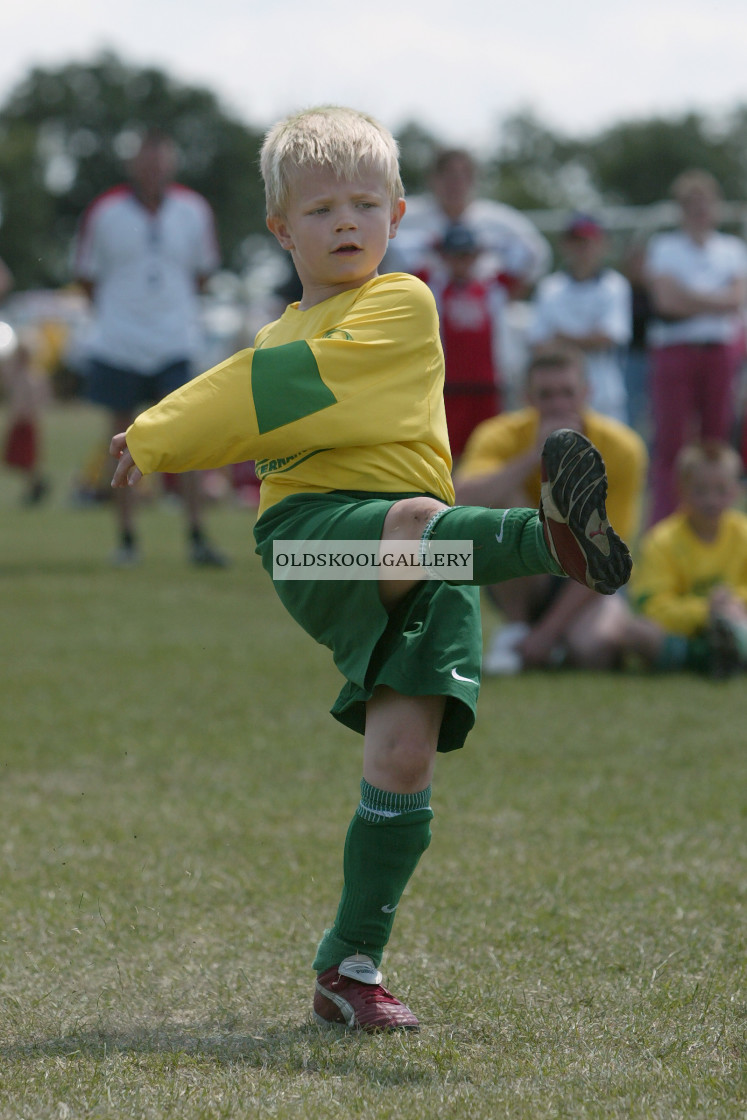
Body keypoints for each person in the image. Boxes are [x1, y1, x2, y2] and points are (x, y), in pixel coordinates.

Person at [109, 106, 632, 1032]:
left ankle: (348, 969)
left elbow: (260, 396)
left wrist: (166, 431)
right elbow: (262, 389)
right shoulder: (278, 341)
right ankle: (550, 543)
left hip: (432, 561)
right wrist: (155, 435)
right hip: (321, 543)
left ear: (396, 215)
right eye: (318, 210)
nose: (344, 223)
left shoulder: (403, 301)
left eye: (362, 204)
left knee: (401, 761)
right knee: (417, 519)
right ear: (280, 228)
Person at [74, 129, 227, 566]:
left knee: (191, 438)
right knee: (121, 442)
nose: (153, 169)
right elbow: (86, 276)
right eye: (146, 160)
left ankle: (197, 536)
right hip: (119, 340)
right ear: (133, 164)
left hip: (175, 339)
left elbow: (202, 273)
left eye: (160, 160)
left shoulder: (194, 210)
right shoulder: (104, 212)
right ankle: (126, 540)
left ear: (172, 163)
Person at [454, 345, 647, 674]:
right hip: (528, 571)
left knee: (594, 651)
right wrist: (534, 456)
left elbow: (611, 552)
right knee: (501, 501)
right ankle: (518, 627)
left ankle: (545, 640)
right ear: (528, 397)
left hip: (589, 575)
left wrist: (549, 632)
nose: (558, 404)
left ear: (587, 393)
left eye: (567, 393)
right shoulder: (500, 434)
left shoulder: (623, 448)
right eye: (546, 394)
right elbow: (461, 499)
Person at [645, 169, 747, 525]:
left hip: (719, 351)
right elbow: (665, 301)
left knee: (715, 441)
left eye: (705, 203)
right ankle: (666, 524)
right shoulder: (665, 247)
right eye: (692, 204)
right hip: (676, 351)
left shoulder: (732, 249)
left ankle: (716, 521)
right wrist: (714, 299)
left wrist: (688, 295)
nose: (699, 210)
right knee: (671, 442)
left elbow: (735, 298)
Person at [630, 440, 747, 677]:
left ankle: (724, 653)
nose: (711, 500)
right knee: (636, 632)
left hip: (738, 620)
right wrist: (706, 612)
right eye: (701, 490)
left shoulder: (743, 533)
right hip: (682, 635)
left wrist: (734, 603)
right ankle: (709, 657)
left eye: (721, 490)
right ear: (681, 490)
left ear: (736, 490)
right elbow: (651, 605)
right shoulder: (661, 541)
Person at [390, 147, 550, 296]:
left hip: (479, 313)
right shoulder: (403, 215)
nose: (456, 184)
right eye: (449, 176)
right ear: (433, 179)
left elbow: (537, 253)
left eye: (463, 176)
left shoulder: (498, 220)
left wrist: (509, 291)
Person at [527, 213, 632, 424]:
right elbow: (538, 342)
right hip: (558, 398)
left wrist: (561, 338)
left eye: (588, 241)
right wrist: (588, 338)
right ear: (565, 245)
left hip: (604, 393)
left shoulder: (615, 285)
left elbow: (609, 337)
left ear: (601, 244)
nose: (582, 248)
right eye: (575, 241)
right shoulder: (549, 288)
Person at [422, 223, 504, 459]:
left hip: (488, 385)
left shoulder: (492, 289)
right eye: (454, 255)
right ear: (444, 256)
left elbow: (528, 259)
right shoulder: (434, 289)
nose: (461, 261)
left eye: (467, 254)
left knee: (490, 452)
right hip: (450, 387)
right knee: (450, 454)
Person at [0, 256, 49, 504]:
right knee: (19, 460)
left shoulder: (31, 375)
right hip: (21, 421)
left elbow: (35, 397)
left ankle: (37, 487)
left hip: (25, 423)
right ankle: (35, 487)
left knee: (26, 460)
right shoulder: (22, 373)